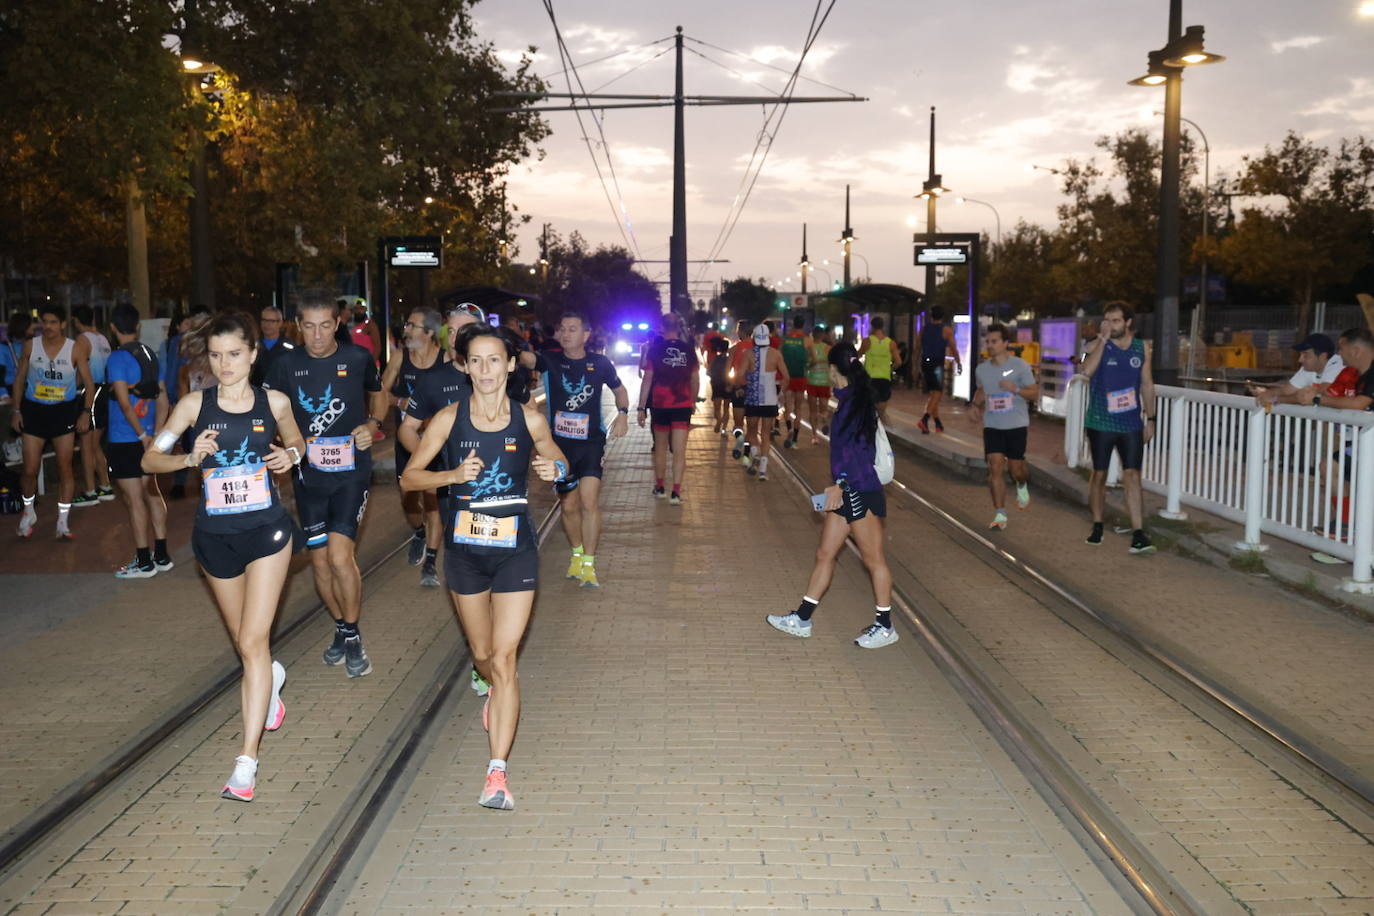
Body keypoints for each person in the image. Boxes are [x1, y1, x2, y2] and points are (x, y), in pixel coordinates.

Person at [401, 324, 569, 811]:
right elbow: (410, 476)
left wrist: (552, 469)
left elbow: (558, 460)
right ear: (466, 366)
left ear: (510, 365)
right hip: (466, 555)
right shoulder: (449, 420)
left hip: (516, 549)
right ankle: (496, 697)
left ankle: (497, 772)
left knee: (504, 659)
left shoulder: (530, 418)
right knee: (481, 653)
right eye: (476, 361)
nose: (486, 370)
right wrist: (452, 476)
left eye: (494, 360)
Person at [141, 312, 304, 801]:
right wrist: (188, 459)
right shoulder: (194, 405)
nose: (225, 364)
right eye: (215, 355)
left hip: (267, 532)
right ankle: (270, 679)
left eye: (234, 354)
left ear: (253, 354)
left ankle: (246, 762)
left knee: (254, 640)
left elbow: (297, 440)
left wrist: (290, 456)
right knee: (246, 644)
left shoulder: (274, 401)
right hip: (215, 537)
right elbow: (151, 458)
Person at [267, 297, 386, 676]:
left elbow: (379, 393)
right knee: (319, 562)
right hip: (308, 475)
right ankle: (343, 628)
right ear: (297, 326)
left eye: (324, 325)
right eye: (308, 326)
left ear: (337, 323)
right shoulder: (285, 364)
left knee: (339, 557)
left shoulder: (357, 358)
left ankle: (351, 635)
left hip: (351, 472)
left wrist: (371, 425)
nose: (316, 335)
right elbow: (267, 411)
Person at [767, 341, 896, 648]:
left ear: (836, 371)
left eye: (828, 369)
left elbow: (858, 453)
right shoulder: (853, 399)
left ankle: (885, 625)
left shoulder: (854, 404)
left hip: (858, 490)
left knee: (874, 559)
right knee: (825, 554)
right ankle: (802, 617)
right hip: (849, 489)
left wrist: (840, 483)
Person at [537, 312, 629, 587]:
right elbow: (521, 357)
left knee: (589, 501)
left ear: (586, 335)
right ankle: (576, 554)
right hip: (558, 448)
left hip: (590, 443)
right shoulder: (548, 359)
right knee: (569, 505)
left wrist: (623, 413)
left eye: (572, 329)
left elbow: (620, 391)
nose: (565, 334)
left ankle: (589, 563)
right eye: (562, 329)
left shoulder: (600, 363)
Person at [10, 304, 96, 539]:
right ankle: (28, 511)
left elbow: (89, 384)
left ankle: (62, 521)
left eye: (52, 322)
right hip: (34, 412)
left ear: (62, 324)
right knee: (28, 470)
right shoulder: (31, 346)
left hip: (63, 413)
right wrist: (17, 411)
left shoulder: (74, 349)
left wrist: (85, 413)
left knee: (64, 468)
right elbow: (19, 380)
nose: (47, 327)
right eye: (44, 322)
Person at [103, 304, 172, 578]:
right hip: (150, 437)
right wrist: (157, 435)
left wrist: (142, 437)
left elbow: (122, 401)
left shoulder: (117, 359)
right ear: (138, 326)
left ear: (112, 328)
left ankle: (144, 561)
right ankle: (163, 554)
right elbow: (163, 398)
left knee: (134, 500)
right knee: (152, 492)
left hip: (125, 439)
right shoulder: (151, 355)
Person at [1081, 301, 1155, 554]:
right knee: (1099, 474)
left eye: (1115, 321)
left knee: (1132, 475)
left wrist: (1151, 418)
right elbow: (1086, 370)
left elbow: (1147, 384)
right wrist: (1102, 340)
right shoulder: (1096, 345)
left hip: (1131, 423)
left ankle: (1138, 534)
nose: (1110, 325)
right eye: (1107, 320)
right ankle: (1098, 525)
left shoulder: (1141, 348)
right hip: (1100, 422)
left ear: (1128, 323)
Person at [381, 307, 447, 580]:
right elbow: (381, 393)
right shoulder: (400, 357)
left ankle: (430, 561)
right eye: (406, 324)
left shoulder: (446, 360)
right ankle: (419, 532)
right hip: (407, 440)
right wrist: (399, 402)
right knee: (408, 500)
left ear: (429, 332)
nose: (405, 330)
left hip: (437, 441)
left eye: (411, 325)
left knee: (432, 498)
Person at [969, 323, 1038, 530]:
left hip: (1016, 424)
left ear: (1006, 343)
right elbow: (982, 389)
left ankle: (1022, 483)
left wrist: (1015, 388)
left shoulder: (1020, 366)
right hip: (993, 424)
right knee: (995, 466)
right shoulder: (982, 369)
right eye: (987, 341)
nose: (989, 345)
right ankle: (1000, 513)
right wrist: (974, 404)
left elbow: (1034, 393)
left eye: (994, 341)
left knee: (1015, 469)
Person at [638, 312, 699, 503]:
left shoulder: (655, 349)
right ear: (679, 327)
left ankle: (660, 487)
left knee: (661, 448)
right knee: (680, 451)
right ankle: (676, 492)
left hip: (661, 405)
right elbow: (695, 378)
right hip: (682, 405)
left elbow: (647, 379)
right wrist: (693, 400)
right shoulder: (688, 349)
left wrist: (641, 408)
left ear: (662, 328)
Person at [71, 306, 114, 507]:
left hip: (91, 392)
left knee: (86, 445)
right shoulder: (103, 338)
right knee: (94, 444)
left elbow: (81, 370)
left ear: (75, 321)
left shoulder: (82, 340)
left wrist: (73, 388)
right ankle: (105, 486)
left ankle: (90, 491)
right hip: (104, 392)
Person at [737, 323, 790, 481]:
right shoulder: (776, 354)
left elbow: (739, 375)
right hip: (770, 400)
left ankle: (755, 454)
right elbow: (786, 377)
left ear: (754, 338)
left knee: (752, 433)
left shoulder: (748, 354)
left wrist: (740, 387)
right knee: (766, 434)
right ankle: (763, 471)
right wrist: (780, 393)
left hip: (753, 399)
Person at [1251, 334, 1344, 407]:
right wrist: (1268, 394)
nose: (1300, 360)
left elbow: (1313, 397)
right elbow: (1286, 391)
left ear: (1322, 356)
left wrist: (1276, 399)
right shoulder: (1308, 368)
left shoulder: (1338, 364)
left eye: (1305, 355)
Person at [918, 307, 961, 434]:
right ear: (943, 316)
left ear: (931, 316)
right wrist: (958, 362)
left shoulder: (924, 329)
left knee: (933, 394)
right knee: (937, 392)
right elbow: (953, 348)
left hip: (925, 362)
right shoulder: (946, 330)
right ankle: (924, 420)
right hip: (937, 364)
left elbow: (917, 347)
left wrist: (915, 366)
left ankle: (937, 423)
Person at [859, 316, 901, 424]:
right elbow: (898, 362)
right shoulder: (890, 343)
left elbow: (857, 356)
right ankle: (885, 433)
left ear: (872, 327)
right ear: (883, 327)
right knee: (881, 412)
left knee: (869, 410)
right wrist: (890, 369)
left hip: (869, 379)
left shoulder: (867, 341)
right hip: (884, 379)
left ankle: (870, 434)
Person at [780, 315, 810, 449]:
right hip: (801, 377)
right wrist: (807, 366)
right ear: (803, 325)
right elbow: (814, 359)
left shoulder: (785, 340)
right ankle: (795, 440)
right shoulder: (807, 340)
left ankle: (789, 429)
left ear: (793, 324)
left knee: (788, 407)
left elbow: (779, 357)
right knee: (798, 408)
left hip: (787, 377)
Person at [728, 319, 752, 461]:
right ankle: (747, 454)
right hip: (753, 391)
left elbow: (727, 372)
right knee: (752, 427)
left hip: (738, 389)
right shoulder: (757, 348)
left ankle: (739, 438)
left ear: (740, 332)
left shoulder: (734, 349)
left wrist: (732, 384)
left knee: (738, 424)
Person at [806, 326, 832, 443]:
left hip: (812, 381)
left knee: (812, 410)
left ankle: (814, 435)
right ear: (822, 335)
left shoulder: (809, 348)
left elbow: (806, 365)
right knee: (824, 408)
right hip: (824, 382)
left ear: (813, 335)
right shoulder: (828, 348)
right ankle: (824, 419)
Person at [706, 336, 732, 435]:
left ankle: (719, 421)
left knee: (717, 407)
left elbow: (708, 371)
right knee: (726, 408)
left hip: (716, 384)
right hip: (727, 383)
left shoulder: (715, 359)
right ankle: (724, 429)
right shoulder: (730, 359)